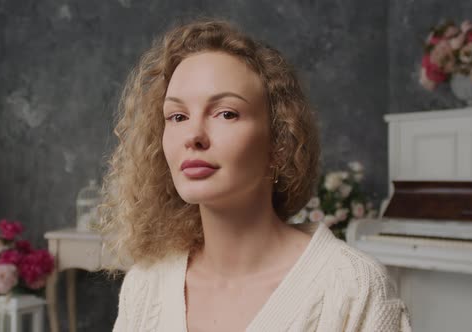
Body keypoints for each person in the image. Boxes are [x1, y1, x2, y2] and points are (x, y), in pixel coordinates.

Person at [100, 19, 411, 332]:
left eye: (226, 113)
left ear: (279, 142)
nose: (193, 135)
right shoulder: (145, 285)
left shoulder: (354, 289)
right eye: (177, 116)